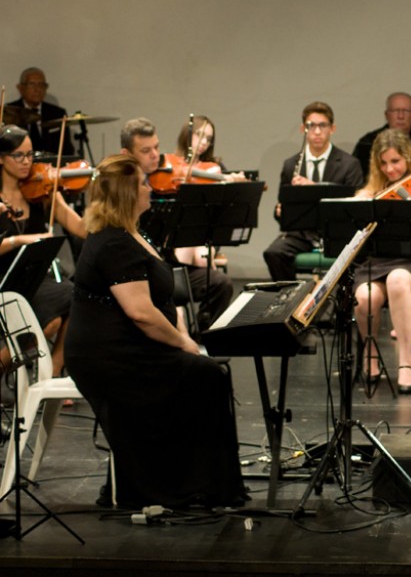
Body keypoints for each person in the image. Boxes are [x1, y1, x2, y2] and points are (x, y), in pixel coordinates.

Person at [63, 154, 246, 509]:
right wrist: (182, 342)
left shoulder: (132, 232)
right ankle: (191, 484)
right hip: (111, 356)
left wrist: (179, 330)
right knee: (206, 376)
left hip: (131, 346)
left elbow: (162, 297)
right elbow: (141, 313)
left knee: (207, 374)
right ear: (129, 194)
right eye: (144, 184)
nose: (151, 188)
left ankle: (193, 478)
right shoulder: (114, 242)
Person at [352, 129, 411, 395]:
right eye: (384, 163)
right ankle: (370, 355)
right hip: (377, 262)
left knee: (398, 279)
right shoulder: (369, 192)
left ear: (408, 160)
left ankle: (405, 361)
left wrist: (408, 201)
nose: (390, 169)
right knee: (365, 295)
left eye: (395, 161)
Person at [121, 118, 234, 330]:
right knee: (170, 299)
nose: (156, 154)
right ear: (128, 155)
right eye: (146, 150)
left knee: (221, 284)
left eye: (156, 147)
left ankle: (203, 340)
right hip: (141, 272)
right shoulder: (124, 191)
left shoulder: (164, 183)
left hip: (168, 264)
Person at [0, 125, 86, 375]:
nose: (27, 162)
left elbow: (79, 227)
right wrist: (21, 240)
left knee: (76, 295)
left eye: (30, 154)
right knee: (50, 323)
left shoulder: (42, 191)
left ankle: (54, 369)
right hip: (6, 278)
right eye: (19, 155)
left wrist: (104, 209)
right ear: (2, 158)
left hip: (35, 277)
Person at [262, 101, 363, 281]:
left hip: (336, 233)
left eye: (322, 125)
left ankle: (342, 305)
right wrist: (280, 211)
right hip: (303, 235)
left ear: (332, 128)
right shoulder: (291, 165)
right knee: (273, 253)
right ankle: (292, 300)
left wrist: (315, 188)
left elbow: (356, 205)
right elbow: (284, 211)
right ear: (303, 129)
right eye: (311, 125)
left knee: (356, 257)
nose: (317, 131)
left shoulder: (349, 164)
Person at [353, 93, 411, 174]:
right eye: (395, 110)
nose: (400, 116)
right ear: (386, 115)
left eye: (406, 111)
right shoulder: (368, 142)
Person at [4, 67, 72, 156]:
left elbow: (66, 148)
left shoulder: (57, 113)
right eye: (32, 84)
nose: (37, 89)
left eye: (41, 85)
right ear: (20, 88)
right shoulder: (9, 112)